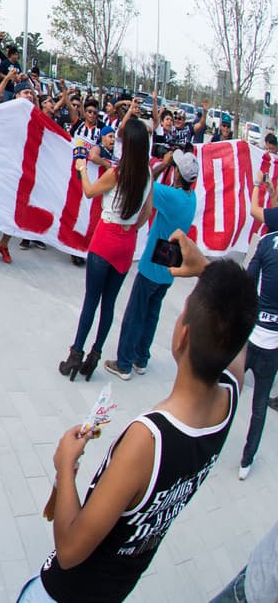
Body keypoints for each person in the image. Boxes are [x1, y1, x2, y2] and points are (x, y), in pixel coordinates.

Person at [20, 234, 253, 603]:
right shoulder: (230, 395)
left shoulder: (149, 440)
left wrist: (65, 465)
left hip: (64, 594)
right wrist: (210, 276)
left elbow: (71, 550)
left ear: (182, 336)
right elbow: (237, 337)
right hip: (115, 589)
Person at [60, 120, 153, 381]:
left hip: (106, 235)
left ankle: (75, 354)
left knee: (92, 300)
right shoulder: (147, 172)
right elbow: (146, 212)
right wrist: (131, 228)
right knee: (109, 304)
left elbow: (89, 192)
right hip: (127, 240)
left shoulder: (117, 172)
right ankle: (95, 355)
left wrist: (82, 170)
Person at [104, 149, 199, 381]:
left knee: (135, 313)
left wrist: (160, 166)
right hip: (170, 264)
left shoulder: (170, 196)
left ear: (177, 173)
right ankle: (141, 358)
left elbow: (146, 185)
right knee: (152, 313)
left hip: (153, 263)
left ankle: (124, 363)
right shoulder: (190, 198)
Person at [238, 188, 278, 481]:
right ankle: (246, 460)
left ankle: (212, 438)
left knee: (228, 391)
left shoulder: (265, 243)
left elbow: (247, 282)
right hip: (274, 344)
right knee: (260, 405)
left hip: (251, 336)